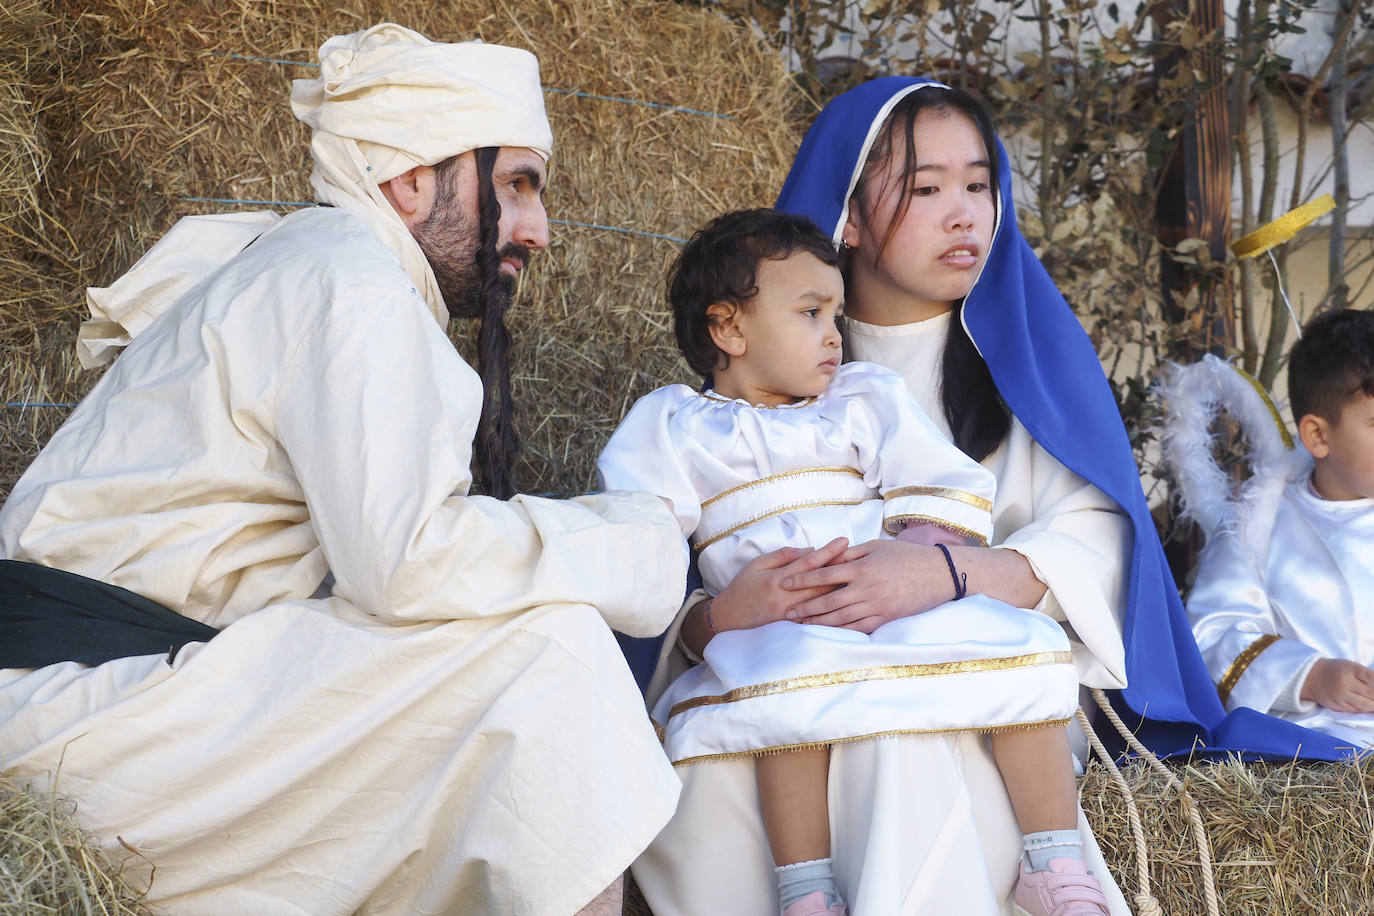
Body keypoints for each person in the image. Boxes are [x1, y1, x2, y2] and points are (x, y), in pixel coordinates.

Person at [0, 24, 687, 915]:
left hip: (125, 704)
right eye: (517, 185)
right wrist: (643, 538)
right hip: (81, 715)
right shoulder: (348, 276)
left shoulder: (317, 263)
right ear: (408, 181)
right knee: (545, 657)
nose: (541, 230)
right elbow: (407, 563)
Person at [598, 208, 1092, 916]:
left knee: (1022, 648)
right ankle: (807, 891)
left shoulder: (863, 399)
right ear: (729, 328)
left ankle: (1054, 863)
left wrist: (915, 553)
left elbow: (943, 485)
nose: (834, 333)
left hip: (882, 606)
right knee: (784, 698)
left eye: (836, 312)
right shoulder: (672, 426)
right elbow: (637, 543)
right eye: (810, 312)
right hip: (780, 623)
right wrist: (724, 614)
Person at [1188, 308, 1374, 747]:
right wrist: (1309, 676)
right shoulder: (1257, 526)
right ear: (1318, 436)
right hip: (1314, 749)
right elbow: (1213, 634)